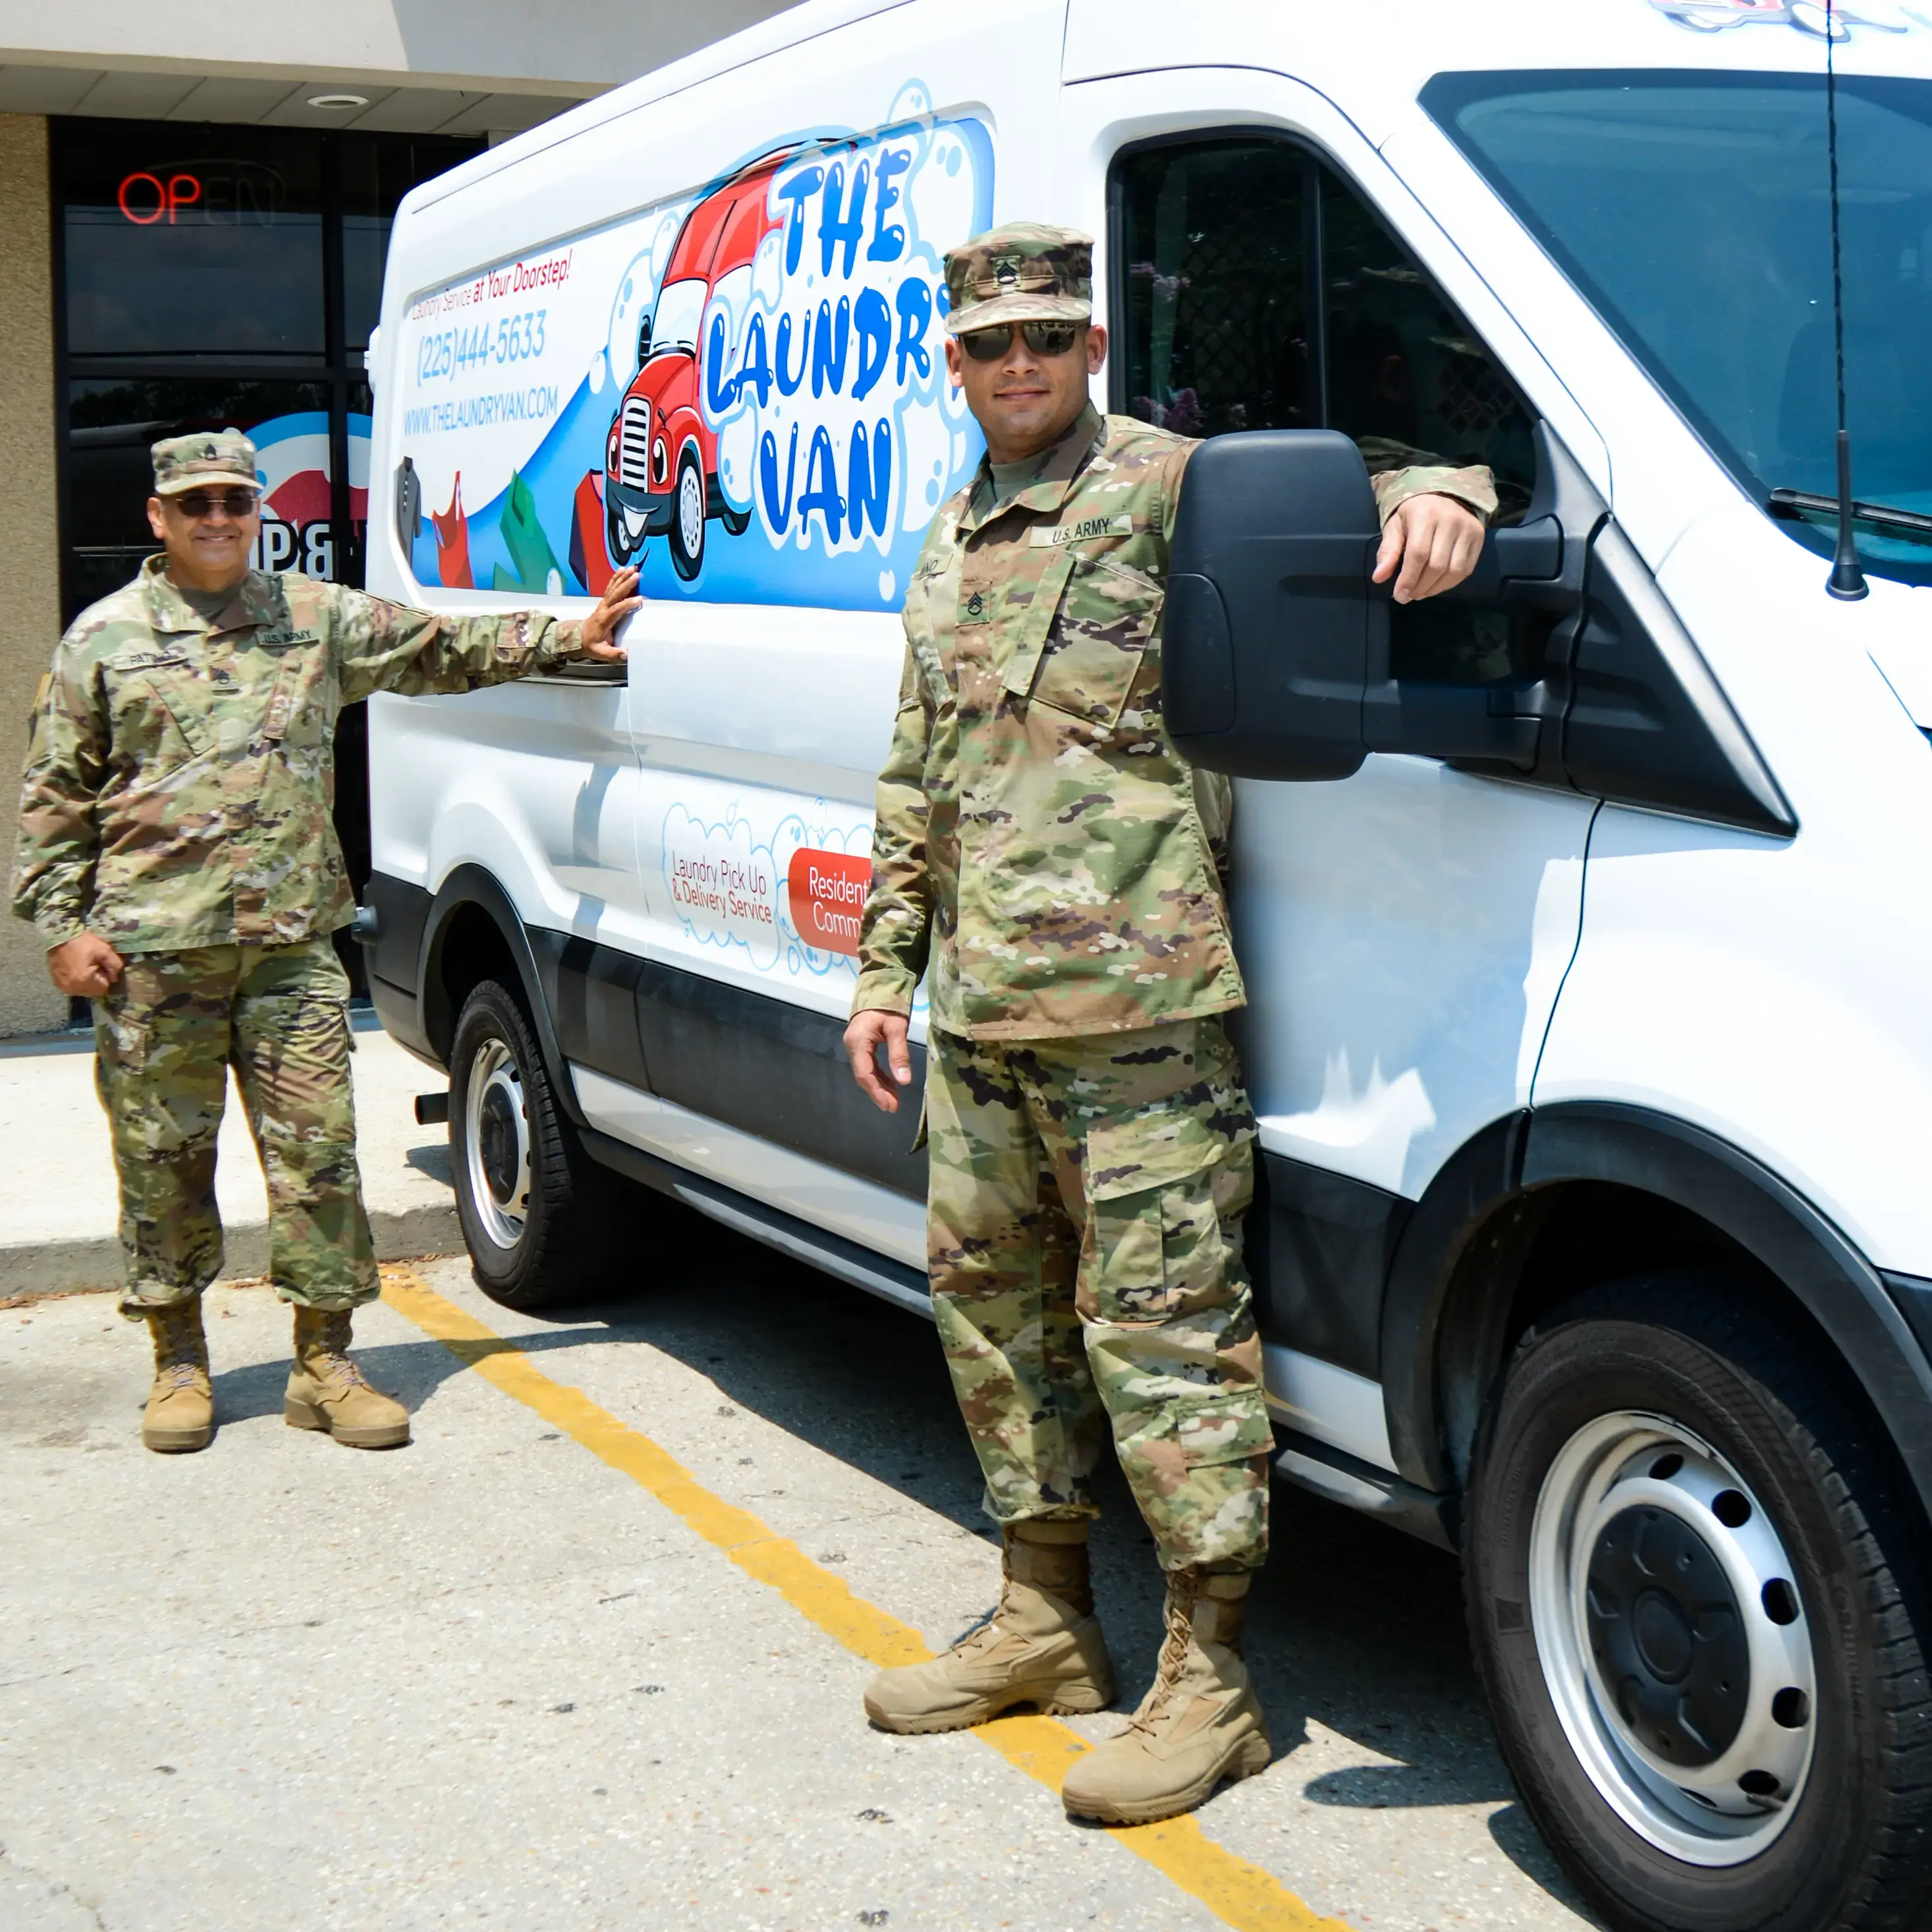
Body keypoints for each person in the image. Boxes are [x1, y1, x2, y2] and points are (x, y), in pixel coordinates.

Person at [842, 225, 1494, 1825]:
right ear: (955, 359)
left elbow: (1381, 473)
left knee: (1164, 1340)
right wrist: (881, 971)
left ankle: (1211, 1675)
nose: (1020, 366)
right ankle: (1044, 1617)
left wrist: (1445, 495)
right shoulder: (949, 535)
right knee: (993, 1322)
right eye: (991, 343)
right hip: (982, 1011)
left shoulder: (1164, 482)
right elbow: (916, 776)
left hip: (1141, 1013)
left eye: (1047, 339)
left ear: (1088, 348)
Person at [12, 431, 640, 1456]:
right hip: (151, 959)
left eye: (235, 501)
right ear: (158, 517)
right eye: (197, 503)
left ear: (254, 512)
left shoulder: (312, 621)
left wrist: (567, 635)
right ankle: (177, 1360)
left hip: (291, 952)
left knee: (321, 1165)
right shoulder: (103, 640)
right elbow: (53, 795)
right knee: (164, 1162)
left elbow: (439, 645)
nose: (219, 518)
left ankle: (325, 1363)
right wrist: (63, 926)